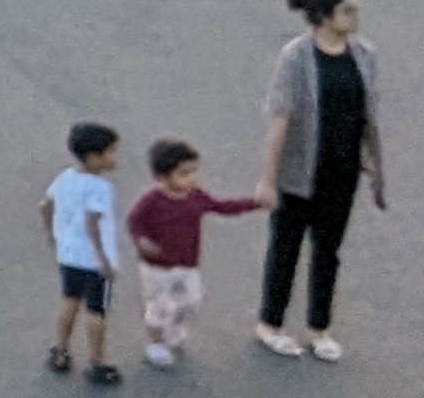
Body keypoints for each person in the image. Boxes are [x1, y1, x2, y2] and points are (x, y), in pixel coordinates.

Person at [256, 0, 384, 361]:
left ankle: (319, 327)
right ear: (325, 17)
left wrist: (372, 162)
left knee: (329, 251)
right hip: (300, 171)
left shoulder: (364, 55)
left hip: (340, 171)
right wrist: (269, 177)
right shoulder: (296, 58)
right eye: (347, 10)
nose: (355, 16)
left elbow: (367, 115)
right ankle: (270, 324)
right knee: (286, 248)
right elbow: (281, 117)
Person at [125, 139, 261, 370]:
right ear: (162, 177)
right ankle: (156, 343)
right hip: (156, 267)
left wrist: (254, 203)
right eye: (184, 173)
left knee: (191, 299)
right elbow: (134, 222)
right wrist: (142, 241)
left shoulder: (196, 196)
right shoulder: (151, 202)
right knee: (158, 306)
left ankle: (174, 324)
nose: (192, 178)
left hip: (187, 263)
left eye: (193, 172)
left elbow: (221, 206)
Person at [41, 122, 123, 384]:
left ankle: (61, 350)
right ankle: (97, 361)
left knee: (69, 300)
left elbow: (45, 205)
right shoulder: (101, 188)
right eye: (110, 152)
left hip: (69, 254)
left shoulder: (65, 177)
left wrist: (51, 234)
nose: (115, 157)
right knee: (96, 311)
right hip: (93, 260)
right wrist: (104, 259)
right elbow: (93, 223)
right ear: (94, 157)